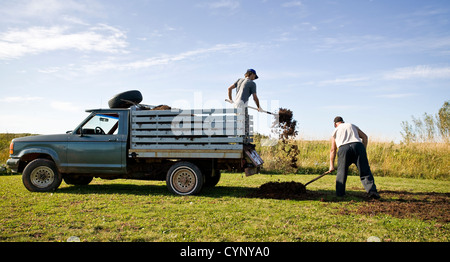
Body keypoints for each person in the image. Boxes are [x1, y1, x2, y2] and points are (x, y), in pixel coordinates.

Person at [328, 116, 380, 199]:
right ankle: (372, 192)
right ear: (343, 121)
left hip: (344, 149)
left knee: (341, 172)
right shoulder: (351, 125)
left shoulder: (335, 130)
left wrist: (331, 165)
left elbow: (333, 150)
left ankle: (340, 194)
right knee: (365, 171)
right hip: (358, 146)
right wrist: (363, 150)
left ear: (335, 124)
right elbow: (365, 137)